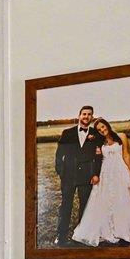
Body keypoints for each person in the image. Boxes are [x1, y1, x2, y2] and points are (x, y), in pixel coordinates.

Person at [72, 118, 130, 246]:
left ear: (107, 124)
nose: (102, 130)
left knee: (124, 197)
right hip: (106, 173)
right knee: (105, 199)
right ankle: (108, 226)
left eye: (103, 126)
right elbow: (94, 158)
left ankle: (124, 225)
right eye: (99, 129)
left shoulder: (121, 136)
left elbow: (126, 155)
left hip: (121, 171)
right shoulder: (99, 142)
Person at [53, 105, 104, 245]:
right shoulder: (67, 132)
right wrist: (61, 172)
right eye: (84, 114)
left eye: (89, 114)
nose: (86, 116)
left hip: (87, 176)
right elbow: (59, 155)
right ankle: (61, 236)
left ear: (92, 117)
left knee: (85, 206)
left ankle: (81, 234)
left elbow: (98, 156)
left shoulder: (96, 134)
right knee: (66, 206)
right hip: (68, 176)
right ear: (79, 115)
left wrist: (95, 173)